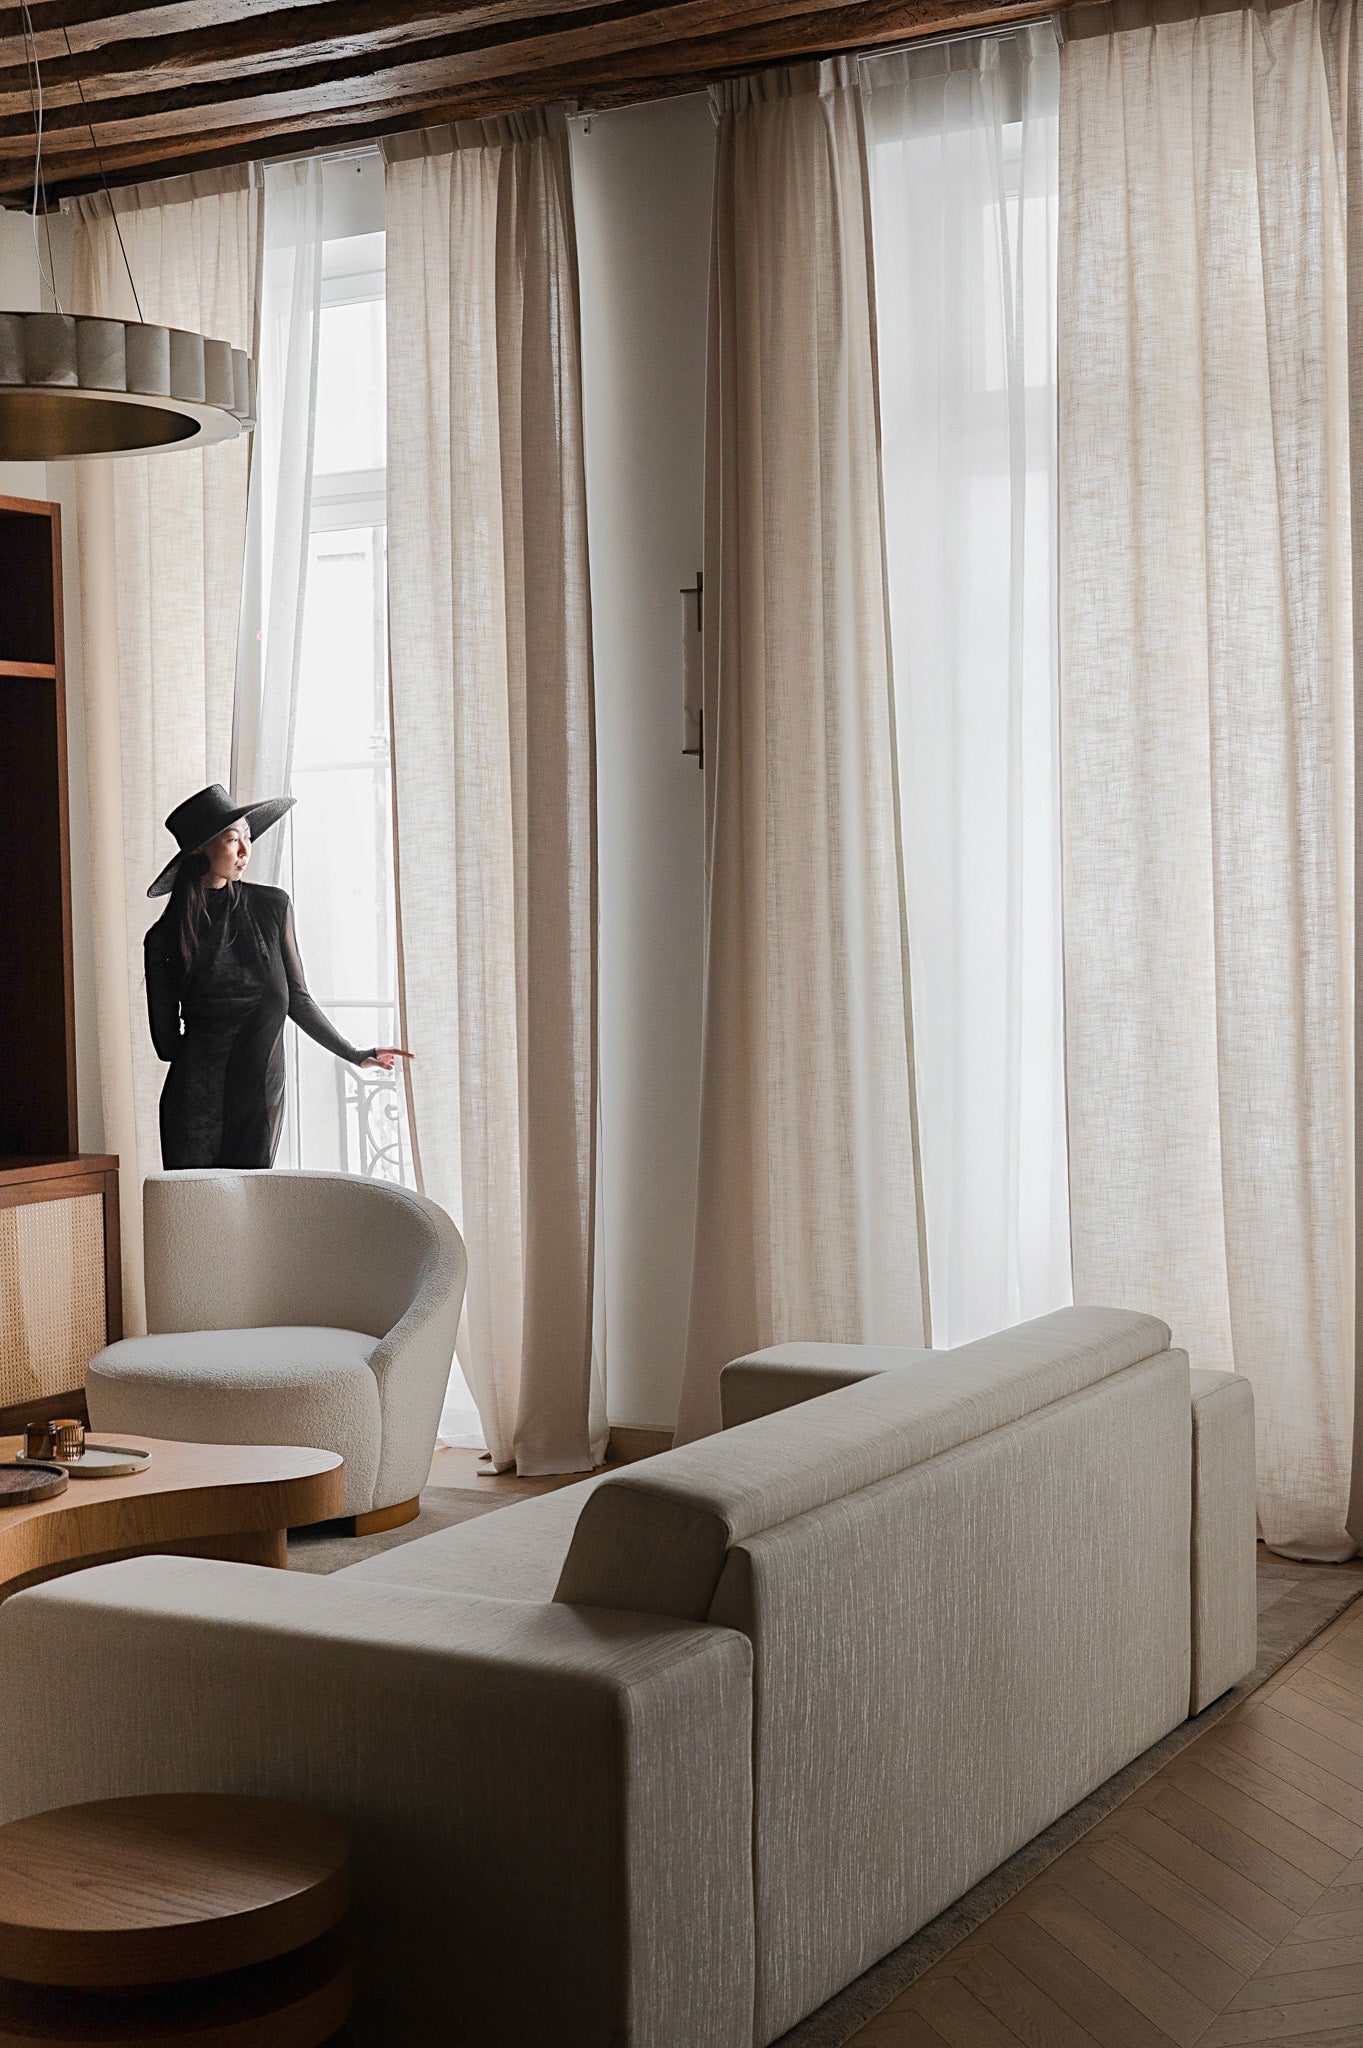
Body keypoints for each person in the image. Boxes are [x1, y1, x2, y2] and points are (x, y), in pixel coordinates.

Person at [144, 784, 411, 1170]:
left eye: (248, 836)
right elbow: (165, 1046)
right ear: (200, 849)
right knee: (197, 1209)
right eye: (232, 839)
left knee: (254, 1203)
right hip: (193, 1110)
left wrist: (355, 1053)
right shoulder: (165, 938)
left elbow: (298, 999)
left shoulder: (271, 907)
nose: (245, 850)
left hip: (258, 1100)